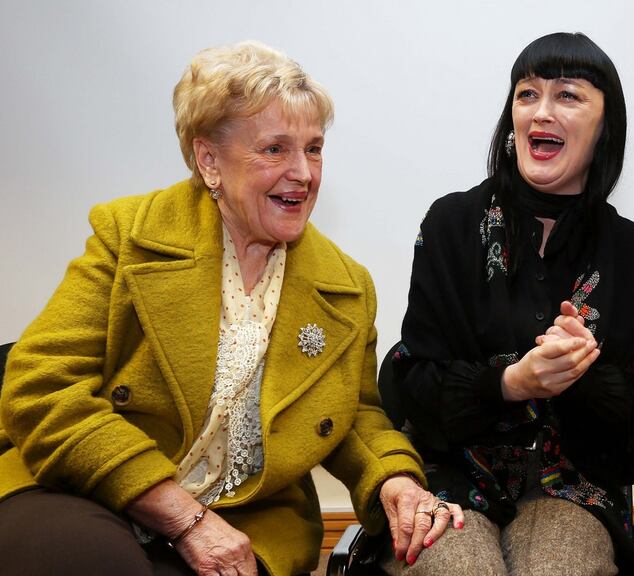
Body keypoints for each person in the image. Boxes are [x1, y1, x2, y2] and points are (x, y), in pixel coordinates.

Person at [0, 41, 461, 576]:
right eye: (275, 149)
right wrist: (183, 517)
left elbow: (352, 415)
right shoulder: (128, 237)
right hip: (86, 489)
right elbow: (40, 387)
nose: (304, 173)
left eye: (314, 149)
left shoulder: (346, 286)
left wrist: (394, 479)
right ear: (209, 160)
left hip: (244, 520)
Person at [388, 32, 634, 575]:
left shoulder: (633, 249)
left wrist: (578, 371)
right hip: (450, 481)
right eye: (527, 94)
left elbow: (624, 419)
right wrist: (509, 383)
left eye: (568, 95)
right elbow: (413, 384)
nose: (541, 112)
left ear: (605, 126)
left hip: (575, 490)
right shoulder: (450, 224)